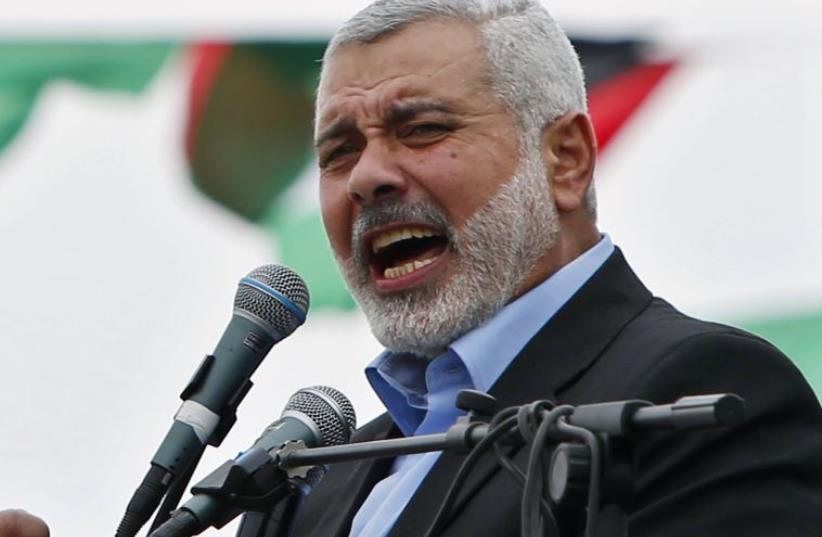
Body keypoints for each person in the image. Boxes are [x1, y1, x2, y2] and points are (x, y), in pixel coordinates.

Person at [290, 0, 822, 536]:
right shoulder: (316, 482)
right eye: (340, 151)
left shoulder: (693, 393)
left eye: (423, 129)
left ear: (565, 159)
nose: (366, 175)